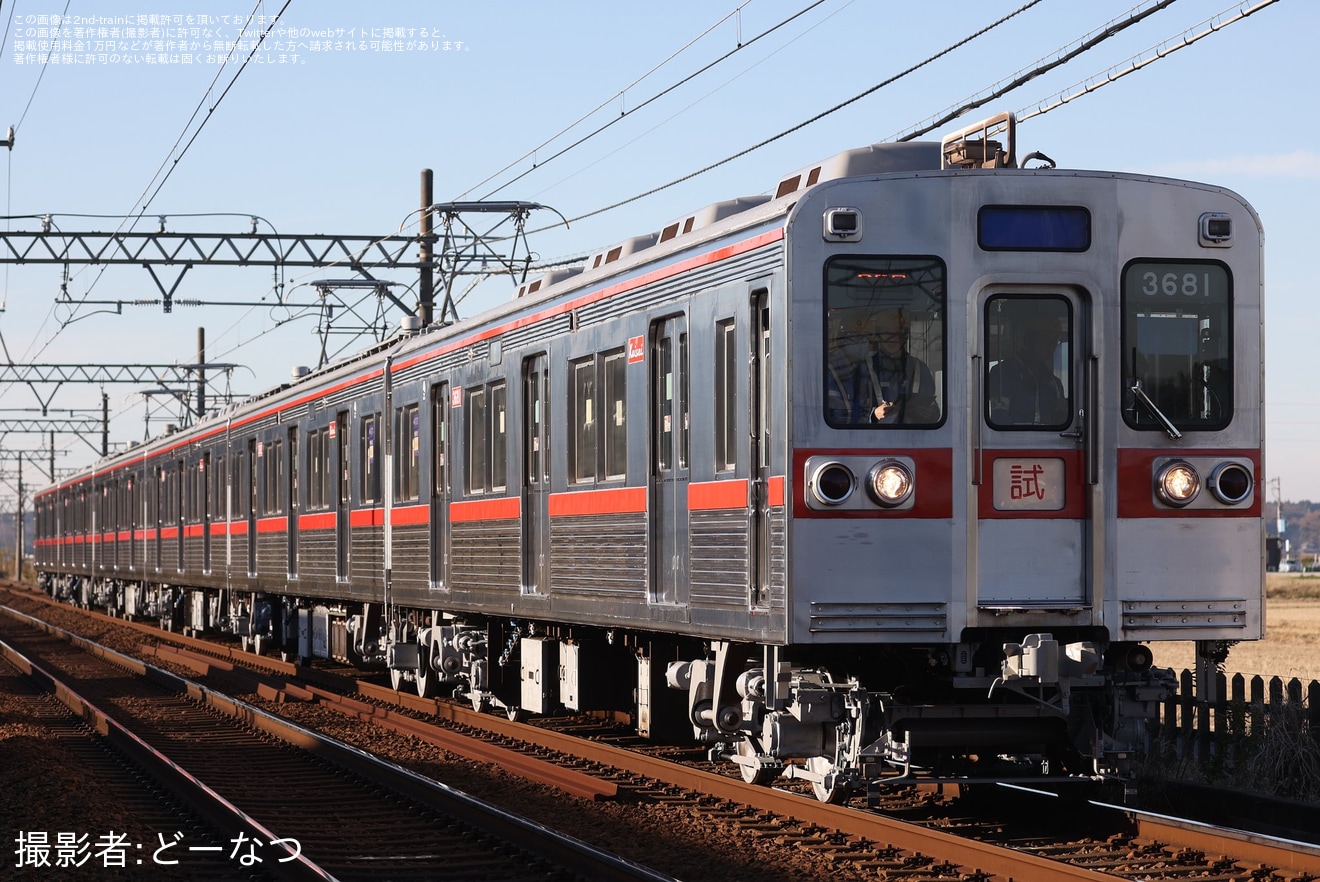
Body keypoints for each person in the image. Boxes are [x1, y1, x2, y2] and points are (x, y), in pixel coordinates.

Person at [987, 311, 1069, 426]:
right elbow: (999, 418)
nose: (1052, 344)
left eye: (1055, 339)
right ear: (1029, 339)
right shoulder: (1003, 373)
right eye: (1046, 337)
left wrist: (1063, 412)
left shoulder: (1055, 383)